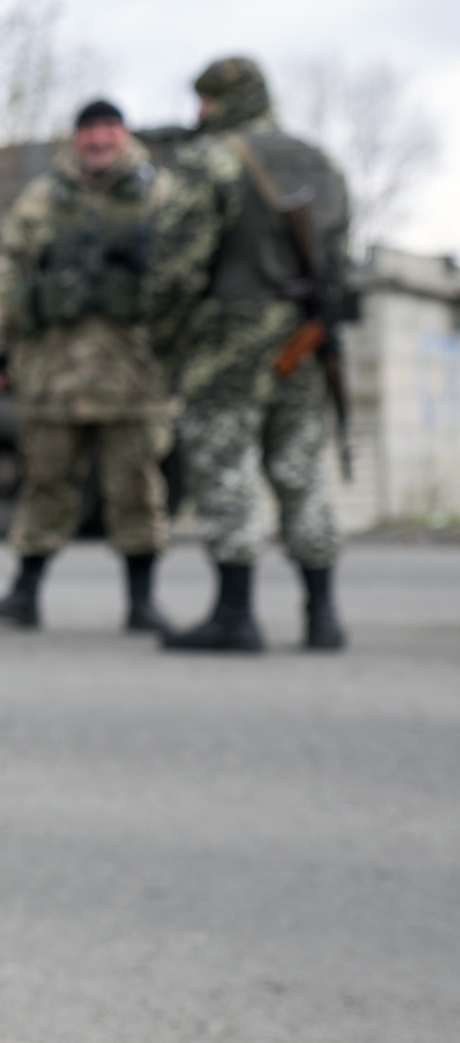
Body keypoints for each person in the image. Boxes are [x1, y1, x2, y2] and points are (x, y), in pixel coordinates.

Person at [144, 56, 352, 652]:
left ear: (211, 103)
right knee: (303, 473)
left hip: (227, 347)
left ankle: (235, 615)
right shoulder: (323, 161)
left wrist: (167, 341)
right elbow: (336, 263)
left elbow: (175, 269)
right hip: (306, 343)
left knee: (226, 473)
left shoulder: (209, 161)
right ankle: (323, 615)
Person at [0, 100, 177, 634]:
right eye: (88, 130)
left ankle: (141, 602)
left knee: (136, 491)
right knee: (44, 486)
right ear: (76, 138)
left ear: (125, 134)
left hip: (131, 376)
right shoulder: (41, 199)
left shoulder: (160, 196)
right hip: (53, 375)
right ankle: (23, 595)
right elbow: (6, 272)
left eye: (108, 129)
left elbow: (185, 275)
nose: (98, 139)